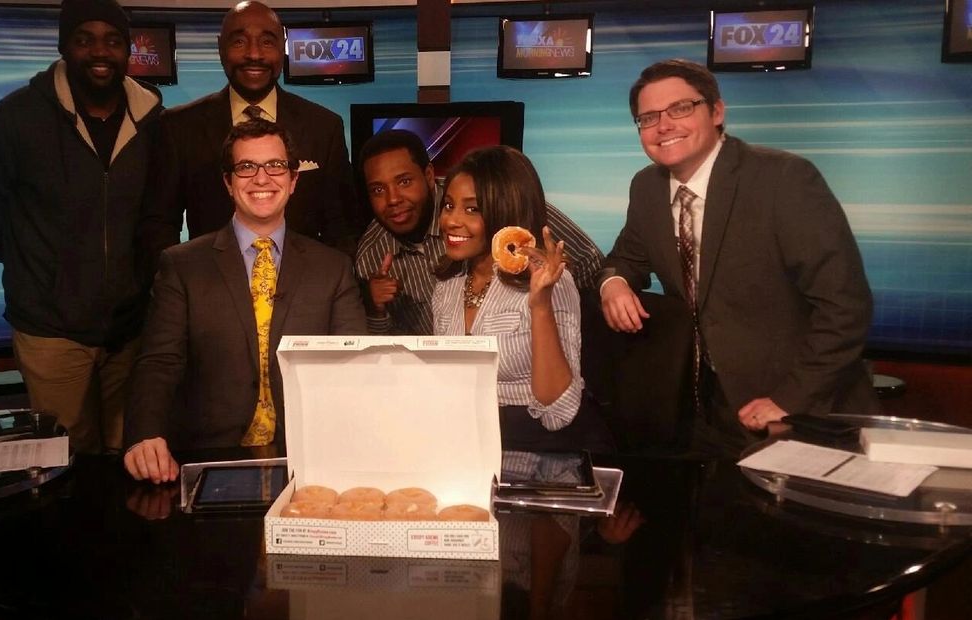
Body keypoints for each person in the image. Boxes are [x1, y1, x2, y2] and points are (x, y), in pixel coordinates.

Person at [598, 58, 877, 455]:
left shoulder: (783, 179)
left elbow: (845, 307)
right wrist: (614, 283)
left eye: (680, 108)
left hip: (801, 415)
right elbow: (625, 257)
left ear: (716, 111)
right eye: (648, 118)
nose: (664, 125)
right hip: (704, 416)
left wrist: (790, 399)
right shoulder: (646, 188)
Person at [0, 0, 162, 454]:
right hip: (51, 330)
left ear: (128, 50)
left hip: (130, 327)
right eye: (85, 39)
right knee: (65, 458)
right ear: (64, 45)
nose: (99, 51)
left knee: (133, 452)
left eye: (112, 40)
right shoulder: (20, 114)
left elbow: (156, 214)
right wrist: (32, 262)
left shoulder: (152, 120)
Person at [123, 120, 367, 483]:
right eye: (246, 167)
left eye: (275, 166)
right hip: (210, 456)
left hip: (306, 455)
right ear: (228, 182)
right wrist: (144, 435)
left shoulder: (333, 267)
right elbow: (159, 362)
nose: (262, 178)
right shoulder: (182, 264)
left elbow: (353, 366)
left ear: (294, 179)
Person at [147, 0, 358, 256]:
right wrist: (179, 286)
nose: (254, 54)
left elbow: (342, 228)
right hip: (209, 289)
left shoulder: (325, 127)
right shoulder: (178, 127)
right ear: (220, 48)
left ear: (283, 48)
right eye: (239, 42)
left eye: (267, 42)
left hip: (304, 291)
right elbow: (158, 226)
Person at [354, 129, 605, 335]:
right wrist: (375, 309)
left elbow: (589, 263)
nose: (393, 199)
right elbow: (383, 351)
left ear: (429, 175)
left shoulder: (500, 199)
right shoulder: (372, 256)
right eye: (377, 190)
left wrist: (560, 318)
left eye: (404, 182)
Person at [431, 146, 587, 450]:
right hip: (462, 441)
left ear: (506, 211)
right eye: (448, 205)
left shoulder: (550, 281)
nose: (451, 220)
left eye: (472, 209)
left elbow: (559, 408)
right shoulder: (445, 288)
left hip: (534, 446)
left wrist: (540, 305)